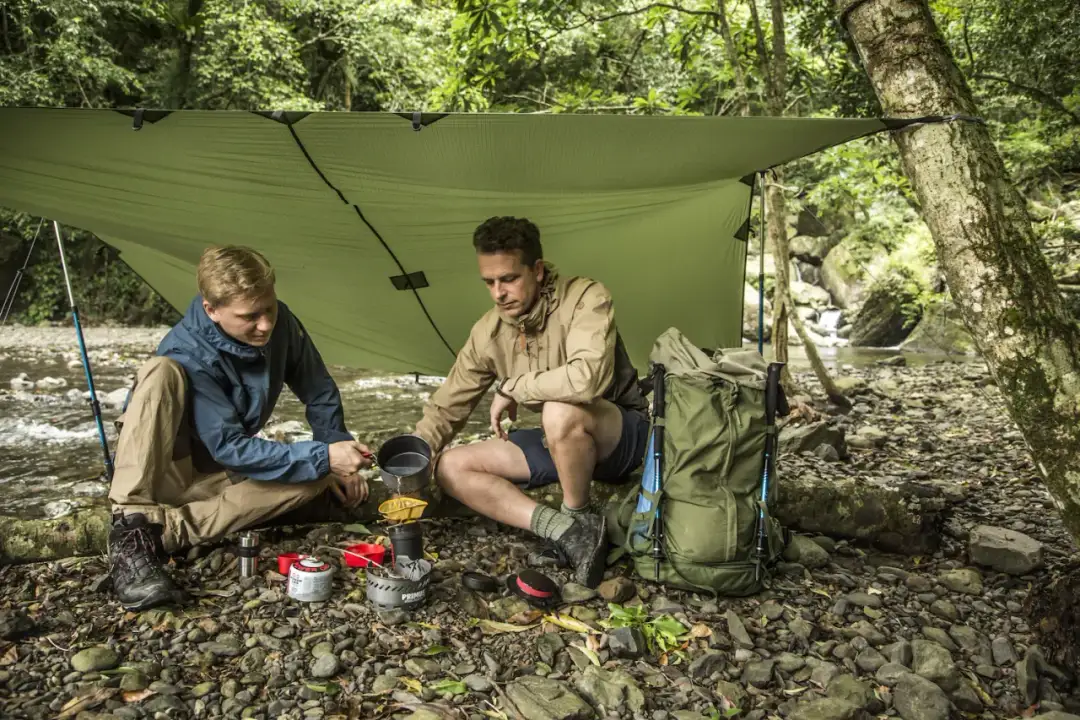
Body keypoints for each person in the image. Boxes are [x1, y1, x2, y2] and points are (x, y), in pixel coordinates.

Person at [107, 245, 374, 610]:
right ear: (211, 310)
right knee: (160, 371)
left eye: (270, 308)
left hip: (221, 474)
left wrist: (335, 447)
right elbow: (229, 445)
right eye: (250, 316)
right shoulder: (187, 351)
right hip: (169, 473)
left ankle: (166, 532)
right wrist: (325, 456)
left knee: (317, 474)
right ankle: (132, 531)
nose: (265, 324)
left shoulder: (281, 324)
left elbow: (319, 391)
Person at [413, 216, 650, 589]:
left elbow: (586, 380)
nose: (498, 293)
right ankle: (563, 530)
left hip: (620, 434)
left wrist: (513, 388)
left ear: (537, 270)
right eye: (489, 282)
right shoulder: (488, 331)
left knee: (559, 409)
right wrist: (413, 457)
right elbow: (448, 405)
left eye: (508, 279)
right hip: (557, 441)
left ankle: (583, 515)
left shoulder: (586, 297)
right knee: (451, 466)